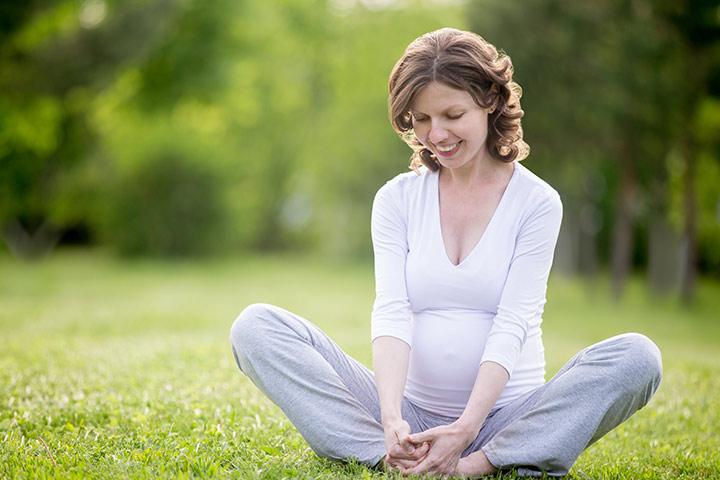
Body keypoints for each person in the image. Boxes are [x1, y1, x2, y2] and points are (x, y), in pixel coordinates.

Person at [229, 27, 663, 477]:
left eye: (452, 114)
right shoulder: (397, 199)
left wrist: (466, 429)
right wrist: (392, 417)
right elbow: (392, 311)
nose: (436, 134)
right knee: (256, 327)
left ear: (490, 100)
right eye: (420, 120)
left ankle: (478, 465)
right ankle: (393, 455)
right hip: (410, 415)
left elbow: (513, 322)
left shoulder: (536, 203)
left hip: (504, 420)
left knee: (638, 357)